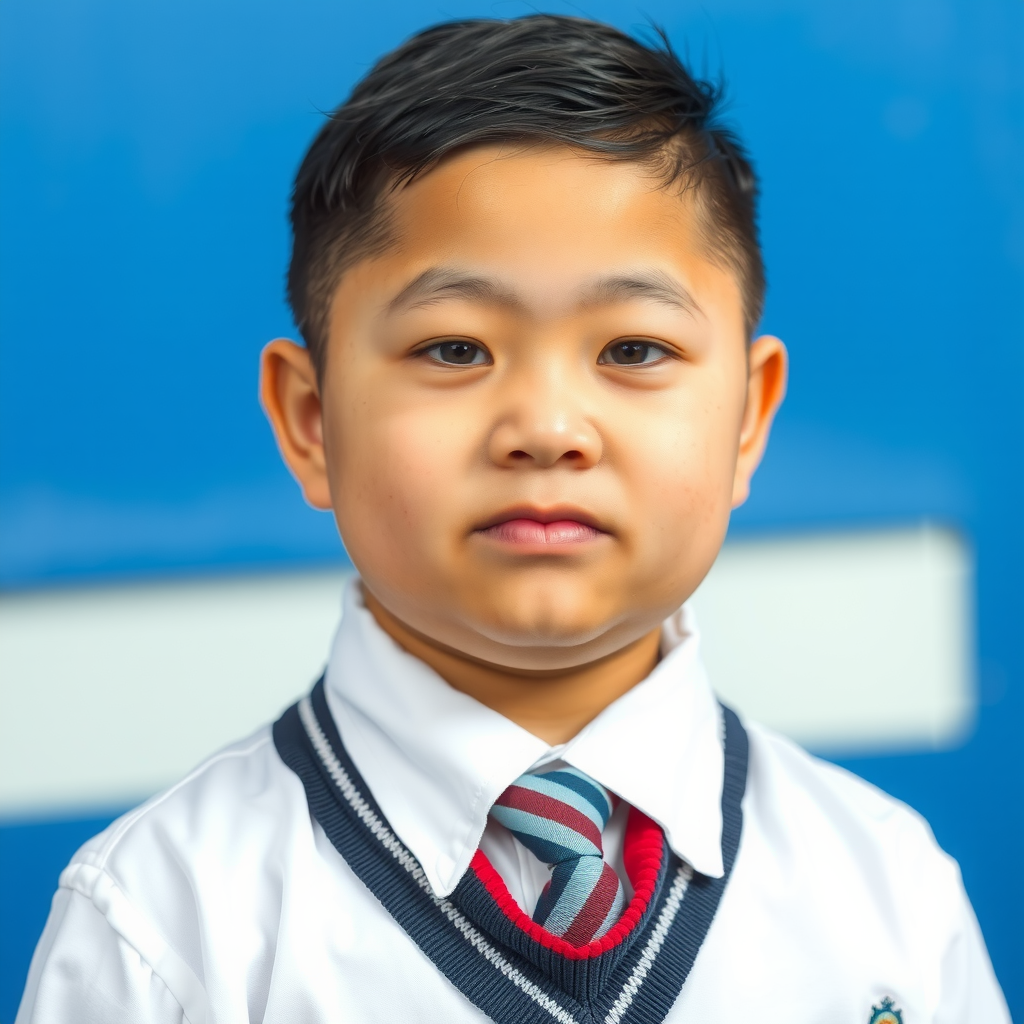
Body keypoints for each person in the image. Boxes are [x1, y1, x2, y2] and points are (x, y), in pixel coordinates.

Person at [16, 15, 1009, 1023]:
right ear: (312, 421)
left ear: (748, 417)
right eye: (454, 350)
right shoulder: (165, 928)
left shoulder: (887, 894)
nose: (545, 428)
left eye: (630, 350)